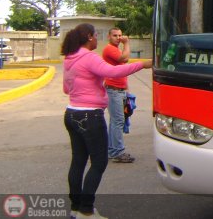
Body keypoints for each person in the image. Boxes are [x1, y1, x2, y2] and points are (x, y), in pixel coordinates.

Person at [62, 23, 151, 219]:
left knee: (78, 161)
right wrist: (142, 64)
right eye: (96, 36)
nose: (97, 39)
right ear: (88, 37)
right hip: (90, 116)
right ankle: (86, 211)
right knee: (99, 162)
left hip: (71, 113)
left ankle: (76, 208)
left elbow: (66, 89)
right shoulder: (88, 57)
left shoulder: (70, 58)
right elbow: (113, 72)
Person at [102, 28, 134, 163]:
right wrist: (126, 43)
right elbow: (124, 58)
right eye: (115, 35)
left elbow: (123, 66)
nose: (118, 38)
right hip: (113, 90)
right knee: (118, 121)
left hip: (119, 90)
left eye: (120, 35)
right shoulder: (110, 49)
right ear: (109, 36)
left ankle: (112, 149)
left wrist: (127, 90)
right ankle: (117, 152)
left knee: (116, 121)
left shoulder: (115, 49)